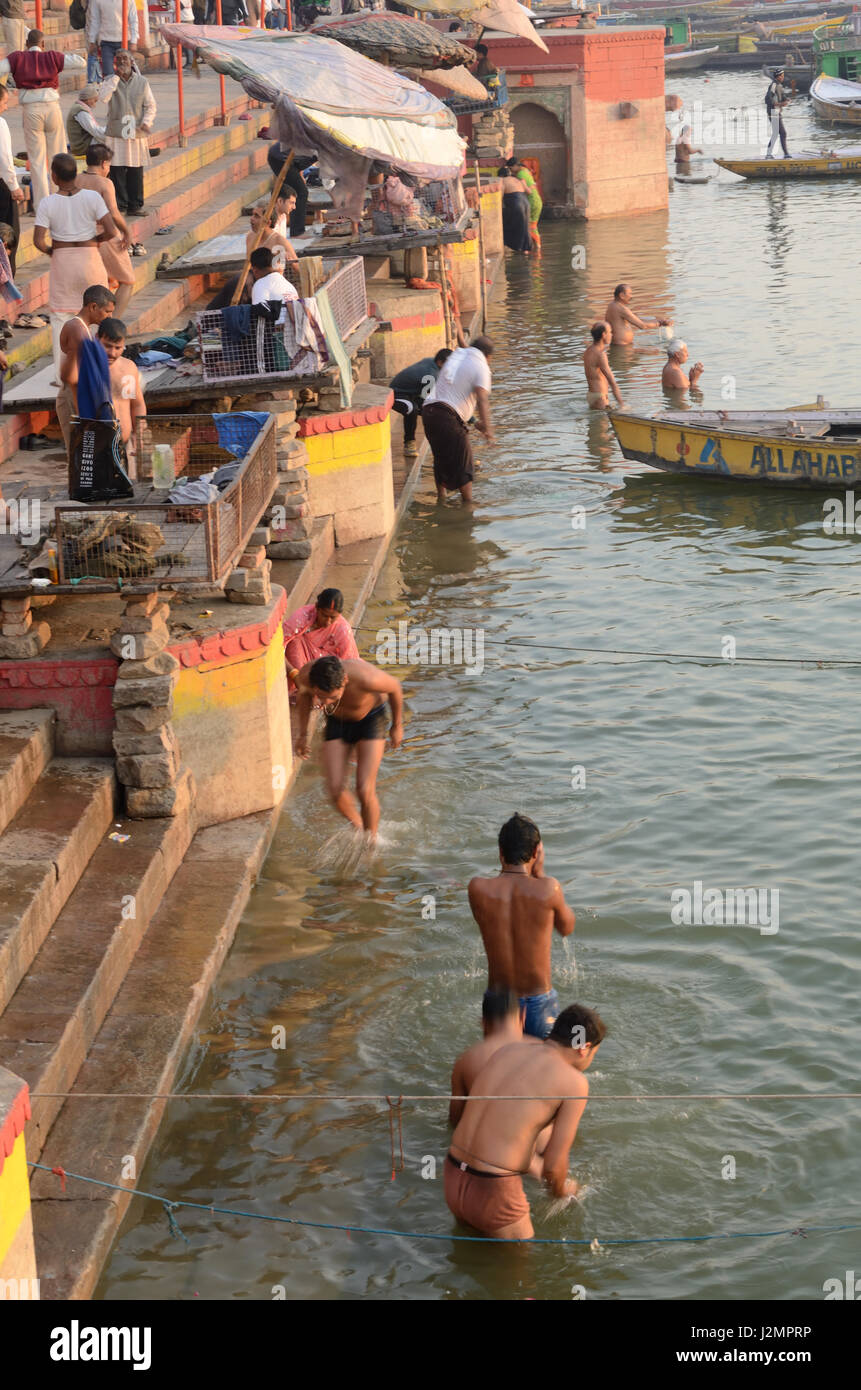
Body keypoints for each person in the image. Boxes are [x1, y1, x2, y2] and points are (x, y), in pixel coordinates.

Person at [446, 1002, 606, 1239]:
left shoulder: (508, 1051)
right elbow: (553, 1165)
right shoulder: (575, 1082)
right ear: (584, 1048)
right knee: (522, 1272)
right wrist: (565, 1191)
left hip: (452, 1174)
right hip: (493, 1190)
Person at [468, 812, 575, 1040]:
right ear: (536, 853)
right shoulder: (549, 889)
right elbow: (567, 928)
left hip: (499, 1005)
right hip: (539, 1004)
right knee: (542, 1071)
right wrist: (541, 873)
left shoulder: (478, 889)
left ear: (500, 851)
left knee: (501, 1070)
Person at [293, 654, 404, 839]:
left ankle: (371, 841)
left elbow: (395, 688)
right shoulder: (307, 675)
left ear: (345, 680)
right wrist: (303, 734)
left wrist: (397, 726)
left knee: (364, 789)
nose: (325, 703)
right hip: (338, 722)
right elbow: (303, 695)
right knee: (334, 789)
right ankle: (361, 829)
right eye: (321, 697)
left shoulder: (366, 677)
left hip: (370, 720)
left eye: (333, 697)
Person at [33, 152, 116, 379]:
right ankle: (101, 369)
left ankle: (64, 377)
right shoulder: (92, 198)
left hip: (63, 261)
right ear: (76, 175)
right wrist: (94, 241)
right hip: (90, 258)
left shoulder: (47, 203)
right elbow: (111, 230)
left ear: (54, 176)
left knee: (62, 317)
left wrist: (53, 251)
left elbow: (38, 240)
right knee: (98, 315)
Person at [0, 31, 86, 213]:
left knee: (37, 160)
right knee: (59, 155)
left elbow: (1, 68)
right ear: (43, 44)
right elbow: (80, 62)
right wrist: (58, 57)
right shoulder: (51, 56)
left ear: (26, 43)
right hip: (51, 106)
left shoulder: (18, 57)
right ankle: (62, 199)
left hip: (31, 110)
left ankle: (42, 206)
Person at [421, 336, 493, 506]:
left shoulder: (458, 355)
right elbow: (482, 399)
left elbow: (456, 392)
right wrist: (489, 429)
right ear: (488, 356)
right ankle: (468, 504)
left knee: (440, 456)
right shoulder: (481, 365)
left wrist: (477, 423)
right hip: (447, 416)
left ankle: (442, 497)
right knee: (464, 461)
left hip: (428, 412)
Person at [449, 989, 533, 1127]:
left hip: (488, 1144)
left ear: (483, 1022)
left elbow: (455, 1121)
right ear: (523, 1017)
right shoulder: (545, 1051)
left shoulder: (465, 1061)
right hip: (537, 1145)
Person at [56, 281, 115, 454]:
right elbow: (79, 371)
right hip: (74, 395)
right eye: (107, 311)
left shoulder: (84, 329)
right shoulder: (77, 330)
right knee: (78, 451)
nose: (109, 317)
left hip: (80, 392)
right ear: (93, 306)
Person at [78, 141, 134, 317]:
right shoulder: (105, 183)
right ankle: (112, 322)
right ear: (104, 163)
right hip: (104, 235)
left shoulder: (76, 179)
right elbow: (114, 213)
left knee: (102, 283)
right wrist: (127, 232)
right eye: (109, 164)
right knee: (127, 280)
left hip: (79, 235)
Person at [101, 50, 156, 216]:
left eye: (125, 59)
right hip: (116, 132)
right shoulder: (110, 81)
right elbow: (103, 97)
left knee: (135, 170)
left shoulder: (142, 82)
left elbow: (151, 105)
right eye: (119, 59)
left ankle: (135, 205)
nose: (122, 62)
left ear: (132, 62)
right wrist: (115, 78)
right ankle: (120, 205)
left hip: (136, 131)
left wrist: (146, 123)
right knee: (116, 170)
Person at [283, 588, 359, 694]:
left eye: (333, 617)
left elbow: (349, 663)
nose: (328, 622)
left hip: (324, 669)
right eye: (324, 615)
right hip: (299, 664)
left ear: (339, 615)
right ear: (317, 608)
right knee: (295, 642)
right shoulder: (301, 618)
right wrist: (294, 674)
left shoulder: (343, 629)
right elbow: (276, 647)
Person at [98, 315, 145, 472]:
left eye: (118, 348)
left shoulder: (128, 368)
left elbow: (137, 404)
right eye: (107, 346)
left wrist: (139, 435)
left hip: (125, 444)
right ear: (97, 340)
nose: (112, 353)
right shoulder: (86, 368)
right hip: (97, 447)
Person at [389, 348, 452, 458]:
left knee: (435, 412)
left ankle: (444, 445)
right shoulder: (431, 374)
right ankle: (409, 443)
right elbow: (437, 397)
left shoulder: (431, 362)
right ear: (440, 362)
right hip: (397, 394)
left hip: (413, 394)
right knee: (411, 409)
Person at [0, 82, 25, 276]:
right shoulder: (0, 124)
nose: (6, 107)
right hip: (2, 187)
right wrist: (14, 186)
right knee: (8, 231)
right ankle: (6, 274)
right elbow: (5, 159)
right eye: (4, 102)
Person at [267, 142, 312, 237]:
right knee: (301, 192)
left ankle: (277, 224)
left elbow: (299, 160)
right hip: (280, 159)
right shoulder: (324, 145)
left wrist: (300, 176)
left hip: (284, 158)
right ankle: (297, 232)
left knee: (297, 191)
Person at [604, 283, 670, 347]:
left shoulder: (612, 305)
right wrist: (659, 323)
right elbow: (642, 326)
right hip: (622, 347)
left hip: (620, 345)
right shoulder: (621, 308)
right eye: (630, 293)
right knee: (654, 352)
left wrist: (657, 320)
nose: (631, 296)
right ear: (621, 295)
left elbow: (636, 320)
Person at [86, 0, 138, 78]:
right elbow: (95, 21)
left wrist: (134, 41)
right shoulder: (97, 1)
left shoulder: (129, 1)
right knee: (108, 73)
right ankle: (111, 89)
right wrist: (92, 41)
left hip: (124, 41)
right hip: (106, 42)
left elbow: (133, 20)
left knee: (125, 71)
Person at [250, 245, 298, 322]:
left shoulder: (260, 284)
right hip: (296, 327)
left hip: (278, 330)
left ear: (255, 270)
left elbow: (258, 312)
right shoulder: (288, 284)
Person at [583, 321, 623, 410]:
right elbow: (612, 383)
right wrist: (622, 405)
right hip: (600, 397)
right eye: (610, 332)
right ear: (603, 335)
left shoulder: (588, 350)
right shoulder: (600, 354)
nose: (612, 335)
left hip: (592, 395)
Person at [246, 204, 296, 270]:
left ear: (268, 223)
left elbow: (298, 267)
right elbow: (249, 265)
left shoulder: (279, 241)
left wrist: (290, 261)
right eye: (252, 215)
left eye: (256, 216)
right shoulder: (250, 237)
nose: (251, 218)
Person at [507, 157, 542, 252]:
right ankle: (537, 247)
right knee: (533, 226)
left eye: (511, 168)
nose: (511, 171)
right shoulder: (525, 170)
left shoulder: (520, 174)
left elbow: (527, 190)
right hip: (537, 200)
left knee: (527, 226)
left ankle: (527, 249)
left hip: (532, 201)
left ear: (515, 166)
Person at [497, 166, 531, 254]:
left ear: (500, 175)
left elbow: (500, 194)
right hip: (526, 202)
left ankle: (516, 247)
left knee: (512, 224)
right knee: (524, 225)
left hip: (516, 202)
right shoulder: (517, 179)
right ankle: (526, 249)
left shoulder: (502, 180)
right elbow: (529, 192)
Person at [65, 83, 105, 159]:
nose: (95, 104)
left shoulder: (79, 107)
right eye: (94, 100)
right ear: (88, 99)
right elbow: (95, 131)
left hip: (83, 142)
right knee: (111, 142)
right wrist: (110, 132)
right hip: (81, 146)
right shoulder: (81, 112)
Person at [765, 68, 790, 159]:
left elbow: (783, 97)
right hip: (773, 112)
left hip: (776, 112)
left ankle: (769, 154)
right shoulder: (774, 85)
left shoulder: (779, 85)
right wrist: (779, 104)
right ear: (778, 77)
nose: (783, 77)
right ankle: (786, 154)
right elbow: (768, 99)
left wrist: (787, 100)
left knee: (777, 133)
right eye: (782, 76)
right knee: (782, 133)